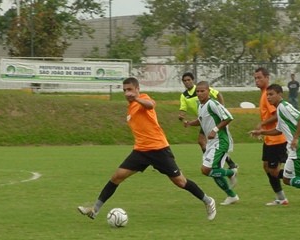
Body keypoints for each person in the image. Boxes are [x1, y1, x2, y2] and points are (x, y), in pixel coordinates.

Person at [78, 77, 217, 221]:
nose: (127, 93)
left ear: (137, 89)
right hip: (140, 151)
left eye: (130, 89)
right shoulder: (130, 108)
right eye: (125, 90)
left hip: (159, 149)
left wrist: (137, 98)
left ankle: (208, 201)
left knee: (180, 182)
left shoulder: (143, 99)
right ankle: (94, 210)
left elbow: (150, 105)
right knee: (116, 177)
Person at [183, 81, 239, 206]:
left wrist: (215, 130)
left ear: (208, 91)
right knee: (213, 171)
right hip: (212, 143)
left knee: (206, 170)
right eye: (198, 91)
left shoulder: (213, 103)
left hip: (221, 141)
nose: (200, 93)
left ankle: (232, 172)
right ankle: (232, 196)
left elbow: (229, 117)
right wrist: (190, 123)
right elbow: (201, 120)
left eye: (202, 91)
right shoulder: (200, 106)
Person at [178, 72, 238, 169]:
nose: (187, 82)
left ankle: (217, 163)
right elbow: (183, 108)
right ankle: (218, 162)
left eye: (189, 80)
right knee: (203, 142)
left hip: (212, 119)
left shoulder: (201, 87)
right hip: (203, 119)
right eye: (184, 81)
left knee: (205, 141)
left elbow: (218, 94)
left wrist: (222, 108)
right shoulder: (184, 95)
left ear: (193, 80)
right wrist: (182, 116)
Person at [253, 67, 289, 206]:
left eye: (259, 78)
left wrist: (261, 124)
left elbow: (276, 115)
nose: (257, 80)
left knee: (274, 171)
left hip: (277, 138)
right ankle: (281, 197)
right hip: (269, 139)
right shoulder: (264, 94)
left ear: (267, 78)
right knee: (267, 166)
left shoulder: (268, 95)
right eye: (255, 78)